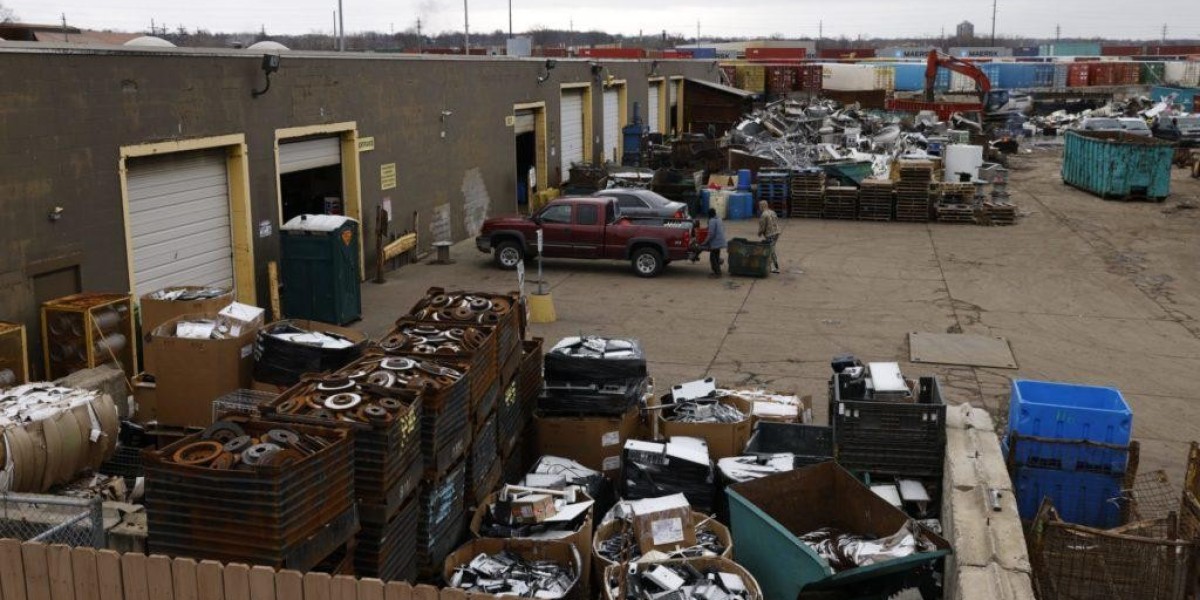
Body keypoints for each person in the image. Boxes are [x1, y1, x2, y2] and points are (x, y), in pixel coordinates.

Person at [758, 200, 781, 274]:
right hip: (776, 232)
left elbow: (762, 227)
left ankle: (775, 267)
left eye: (760, 206)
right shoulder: (772, 212)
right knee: (772, 247)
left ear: (762, 206)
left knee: (771, 249)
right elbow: (776, 220)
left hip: (770, 234)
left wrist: (759, 233)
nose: (759, 208)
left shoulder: (764, 215)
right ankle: (772, 265)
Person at [702, 208, 727, 277]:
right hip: (721, 241)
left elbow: (711, 234)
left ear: (709, 215)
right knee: (716, 257)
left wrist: (704, 242)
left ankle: (717, 273)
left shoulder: (712, 221)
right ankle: (717, 272)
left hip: (716, 242)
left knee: (713, 258)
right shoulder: (719, 219)